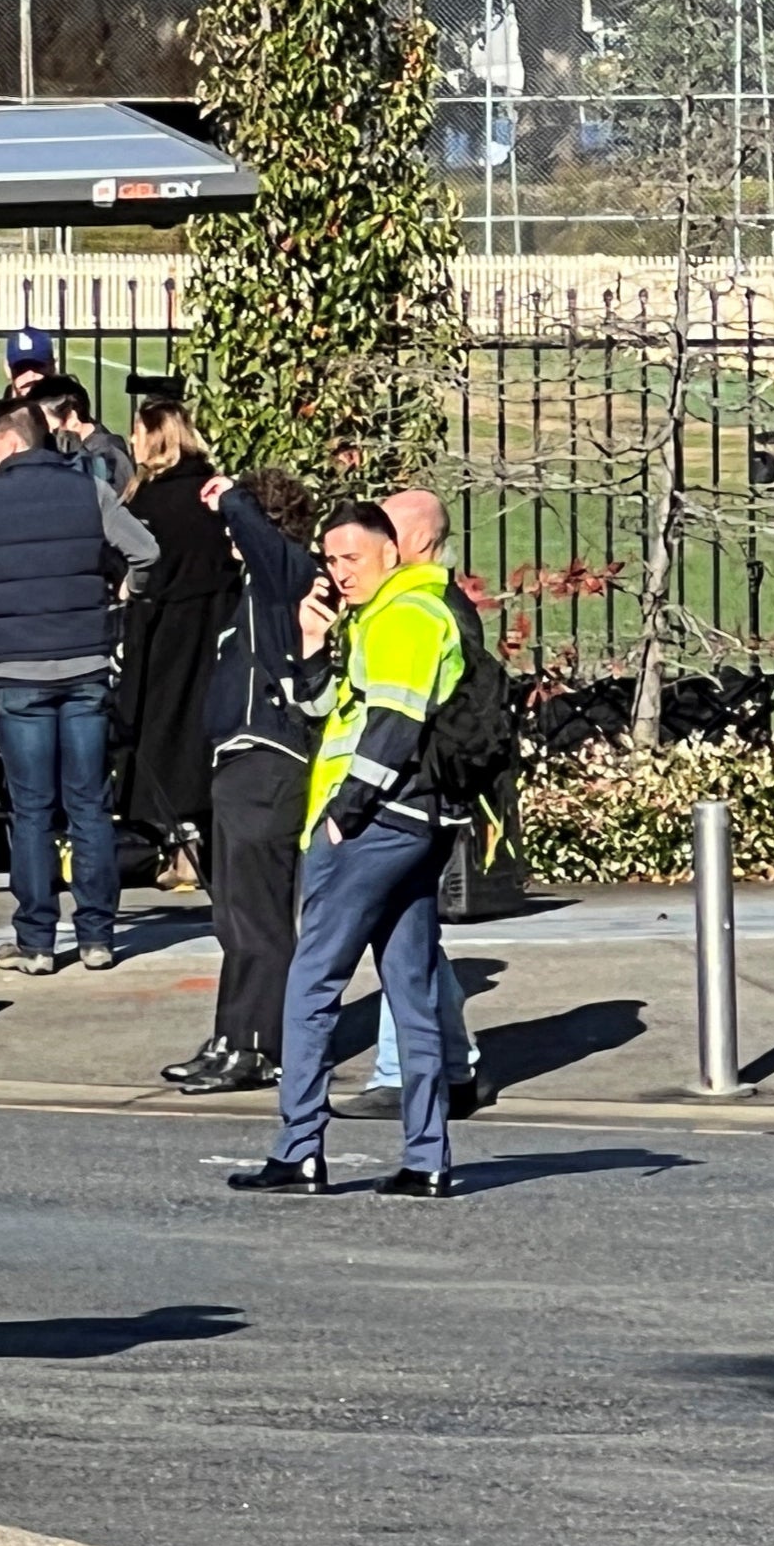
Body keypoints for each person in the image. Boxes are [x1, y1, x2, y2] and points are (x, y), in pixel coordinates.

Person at [230, 501, 466, 1198]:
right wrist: (310, 646)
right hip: (412, 826)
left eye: (351, 559)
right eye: (331, 561)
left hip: (371, 828)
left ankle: (299, 1146)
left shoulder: (404, 616)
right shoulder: (388, 616)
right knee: (411, 990)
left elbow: (392, 722)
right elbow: (327, 714)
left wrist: (344, 814)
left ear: (391, 552)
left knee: (310, 985)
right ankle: (428, 1156)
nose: (339, 573)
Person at [0, 398, 155, 974]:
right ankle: (97, 936)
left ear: (10, 441)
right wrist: (125, 590)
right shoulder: (88, 492)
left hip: (19, 670)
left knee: (33, 808)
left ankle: (37, 940)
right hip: (85, 663)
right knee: (90, 804)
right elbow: (146, 549)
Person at [166, 464, 324, 1093]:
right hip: (235, 763)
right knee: (231, 916)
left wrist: (232, 497)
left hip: (270, 761)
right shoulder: (252, 588)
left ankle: (263, 1044)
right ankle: (234, 1035)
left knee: (258, 917)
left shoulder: (286, 574)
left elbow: (268, 550)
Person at [340, 485, 493, 1124]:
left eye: (389, 535)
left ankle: (403, 1072)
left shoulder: (419, 610)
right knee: (412, 937)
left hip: (410, 800)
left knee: (395, 936)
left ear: (420, 542)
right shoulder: (421, 604)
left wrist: (351, 805)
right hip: (422, 797)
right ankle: (453, 1068)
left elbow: (397, 718)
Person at [111, 383, 228, 884]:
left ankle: (180, 849)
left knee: (162, 743)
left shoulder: (148, 502)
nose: (131, 442)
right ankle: (197, 850)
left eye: (137, 434)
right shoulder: (215, 493)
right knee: (203, 742)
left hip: (162, 633)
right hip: (215, 627)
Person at [32, 373, 138, 497]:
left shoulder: (108, 455)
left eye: (41, 420)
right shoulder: (74, 450)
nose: (36, 428)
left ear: (72, 418)